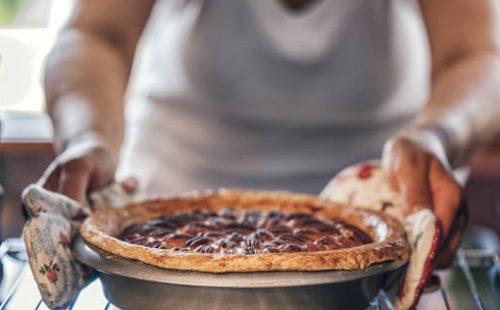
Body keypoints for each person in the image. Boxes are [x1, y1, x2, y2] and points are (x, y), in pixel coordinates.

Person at [40, 0, 500, 273]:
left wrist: (435, 137)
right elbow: (96, 34)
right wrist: (89, 138)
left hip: (383, 230)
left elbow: (475, 56)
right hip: (166, 231)